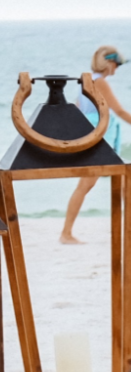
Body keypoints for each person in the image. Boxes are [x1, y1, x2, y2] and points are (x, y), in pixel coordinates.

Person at [60, 45, 127, 245]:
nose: (117, 68)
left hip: (91, 136)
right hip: (100, 138)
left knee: (118, 182)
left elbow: (77, 110)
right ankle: (66, 233)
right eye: (117, 63)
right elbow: (120, 111)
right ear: (109, 62)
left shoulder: (85, 82)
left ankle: (66, 233)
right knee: (89, 184)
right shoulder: (101, 83)